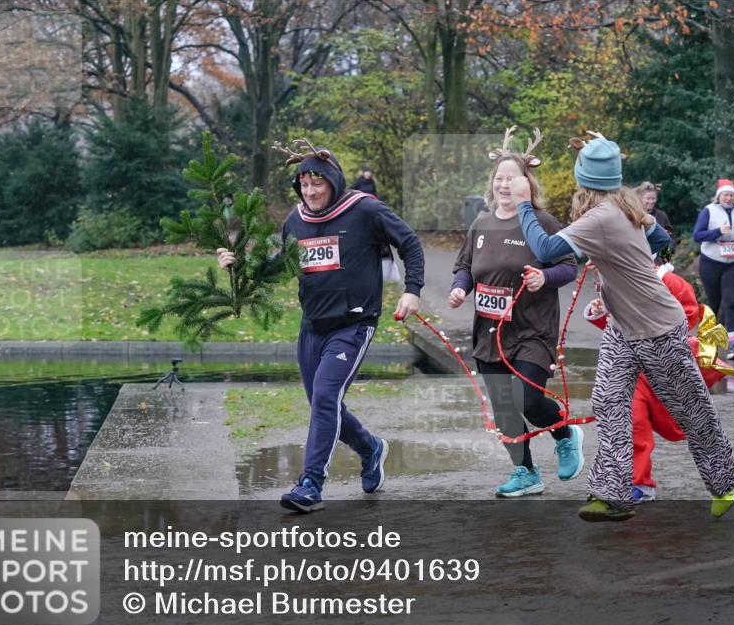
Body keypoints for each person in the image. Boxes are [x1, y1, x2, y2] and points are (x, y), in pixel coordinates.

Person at [512, 131, 734, 521]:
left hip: (657, 327)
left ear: (583, 180)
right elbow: (661, 239)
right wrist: (620, 270)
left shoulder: (603, 215)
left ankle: (727, 471)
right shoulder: (623, 204)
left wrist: (523, 204)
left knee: (688, 408)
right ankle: (614, 492)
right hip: (624, 327)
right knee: (608, 400)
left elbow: (546, 250)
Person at [218, 140, 424, 513]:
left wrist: (412, 291)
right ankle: (371, 448)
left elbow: (409, 243)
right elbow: (282, 264)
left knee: (326, 398)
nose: (310, 191)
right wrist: (240, 265)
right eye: (304, 184)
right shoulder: (296, 219)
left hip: (354, 324)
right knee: (322, 404)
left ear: (333, 180)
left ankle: (310, 483)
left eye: (318, 183)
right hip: (312, 326)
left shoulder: (365, 209)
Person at [450, 127, 583, 497]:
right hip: (490, 333)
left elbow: (569, 266)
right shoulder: (480, 224)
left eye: (512, 179)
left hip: (532, 330)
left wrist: (545, 276)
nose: (504, 185)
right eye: (499, 178)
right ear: (492, 184)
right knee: (503, 407)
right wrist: (460, 288)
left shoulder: (541, 223)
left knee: (526, 397)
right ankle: (525, 472)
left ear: (527, 185)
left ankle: (565, 434)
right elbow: (464, 265)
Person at [584, 258, 734, 502]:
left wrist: (659, 329)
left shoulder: (666, 279)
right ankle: (636, 483)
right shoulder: (612, 281)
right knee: (630, 419)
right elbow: (616, 326)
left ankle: (727, 468)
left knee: (691, 419)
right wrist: (602, 311)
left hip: (666, 361)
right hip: (632, 370)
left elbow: (689, 312)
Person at [693, 178, 734, 360]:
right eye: (725, 194)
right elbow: (698, 235)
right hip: (711, 262)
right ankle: (707, 344)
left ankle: (733, 345)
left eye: (732, 195)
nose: (729, 198)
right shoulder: (709, 211)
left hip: (733, 263)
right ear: (719, 196)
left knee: (732, 302)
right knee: (714, 303)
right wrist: (717, 231)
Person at [636, 182, 676, 262]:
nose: (651, 201)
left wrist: (665, 260)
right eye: (648, 198)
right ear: (640, 198)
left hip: (660, 261)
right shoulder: (634, 216)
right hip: (640, 260)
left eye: (653, 198)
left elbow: (670, 239)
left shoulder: (661, 215)